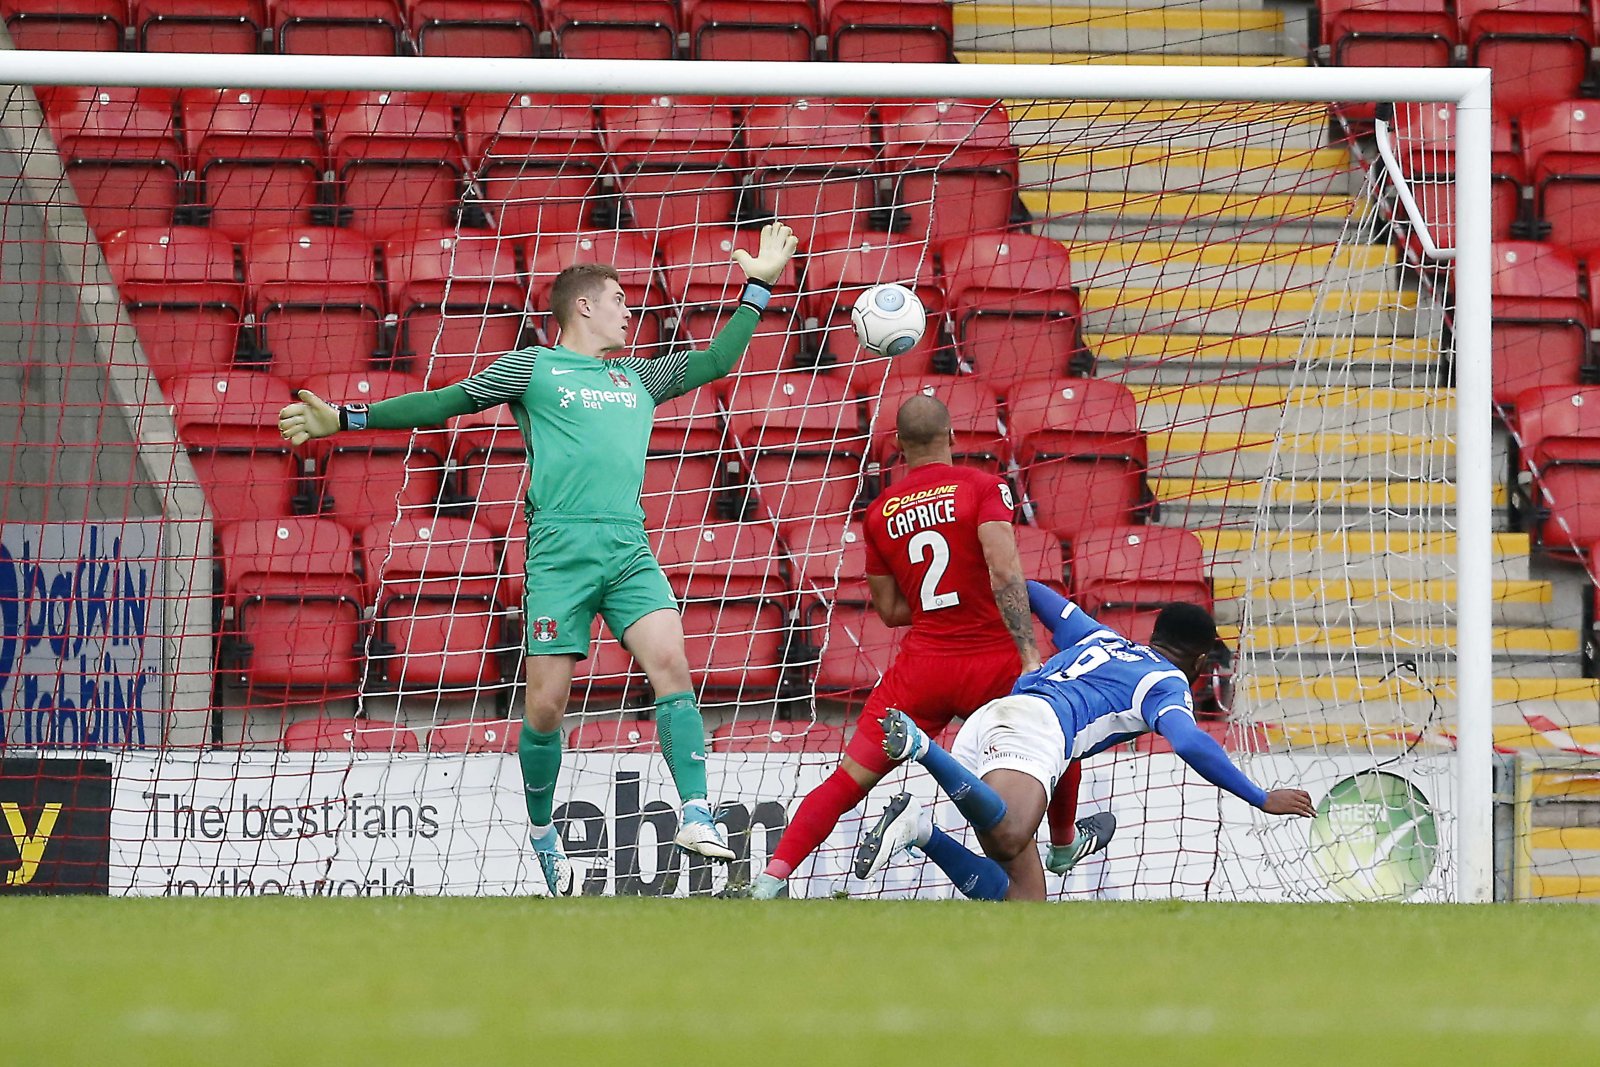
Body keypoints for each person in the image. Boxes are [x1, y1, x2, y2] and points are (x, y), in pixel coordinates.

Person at [277, 222, 799, 896]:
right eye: (617, 299)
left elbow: (716, 361)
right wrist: (347, 419)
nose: (628, 310)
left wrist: (759, 283)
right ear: (584, 306)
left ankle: (697, 810)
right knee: (547, 707)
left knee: (671, 661)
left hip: (627, 546)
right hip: (558, 551)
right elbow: (443, 403)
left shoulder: (637, 374)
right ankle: (542, 832)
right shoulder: (533, 367)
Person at [751, 394, 1108, 900]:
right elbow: (1005, 570)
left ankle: (771, 879)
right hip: (993, 660)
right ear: (954, 437)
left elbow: (892, 611)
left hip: (924, 667)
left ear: (896, 446)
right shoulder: (985, 489)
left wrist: (934, 604)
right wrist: (1029, 654)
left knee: (849, 778)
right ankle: (1063, 844)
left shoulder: (878, 513)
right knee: (1057, 731)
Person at [854, 580, 1316, 901]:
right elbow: (1191, 744)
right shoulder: (1166, 683)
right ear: (1199, 660)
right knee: (1012, 835)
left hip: (999, 721)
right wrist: (1259, 797)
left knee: (1024, 900)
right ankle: (921, 747)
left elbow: (1028, 589)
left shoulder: (1100, 636)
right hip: (1034, 731)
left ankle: (921, 831)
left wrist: (1022, 649)